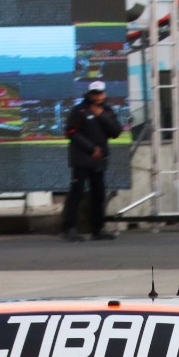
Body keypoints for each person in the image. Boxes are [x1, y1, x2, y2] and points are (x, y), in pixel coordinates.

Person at [60, 81, 123, 243]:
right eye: (94, 93)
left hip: (99, 160)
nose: (98, 96)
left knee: (99, 194)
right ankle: (69, 228)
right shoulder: (79, 110)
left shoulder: (107, 110)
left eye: (100, 93)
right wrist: (91, 148)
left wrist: (100, 115)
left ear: (104, 94)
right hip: (81, 158)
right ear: (89, 94)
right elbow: (71, 132)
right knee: (77, 193)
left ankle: (98, 228)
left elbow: (116, 132)